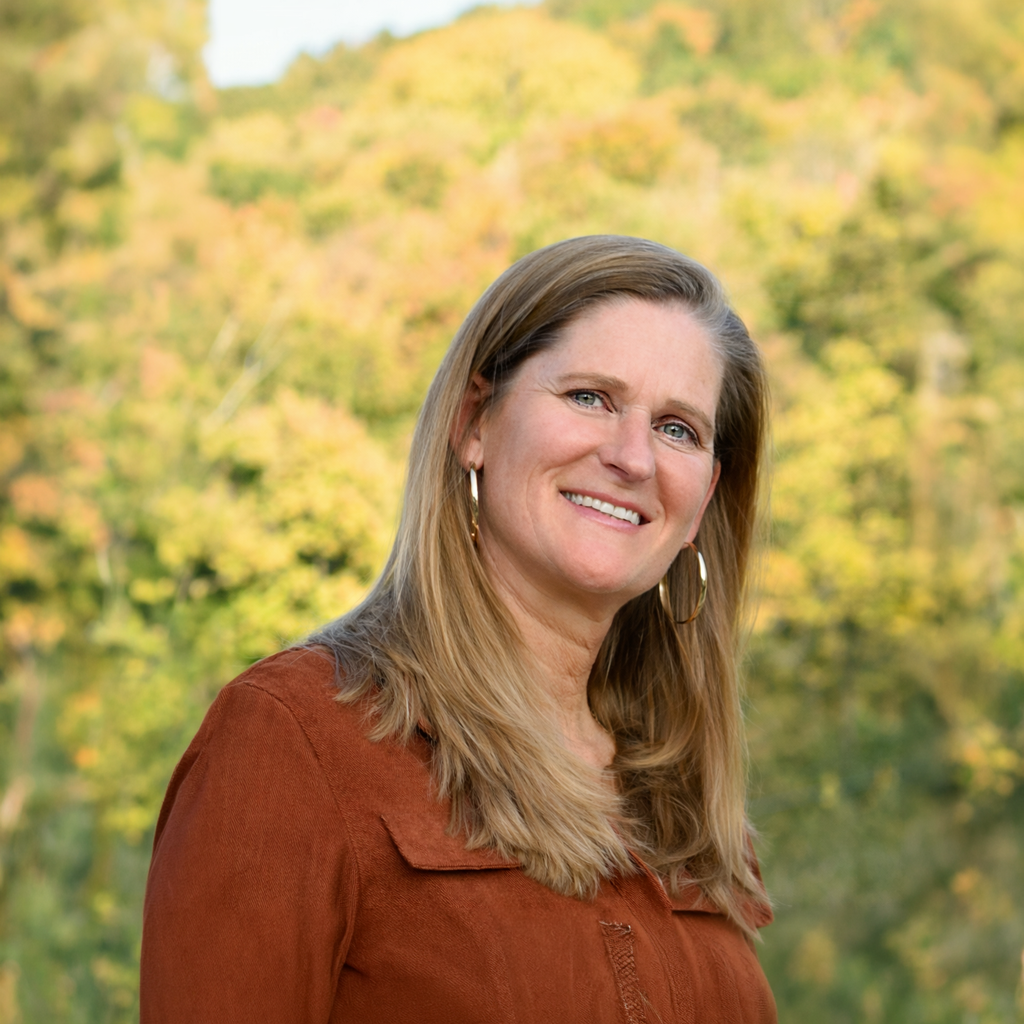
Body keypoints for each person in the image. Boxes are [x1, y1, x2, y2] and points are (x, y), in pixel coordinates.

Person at [141, 235, 775, 1022]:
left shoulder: (686, 805)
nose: (632, 456)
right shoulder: (296, 742)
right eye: (589, 397)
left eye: (678, 427)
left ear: (704, 498)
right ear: (475, 419)